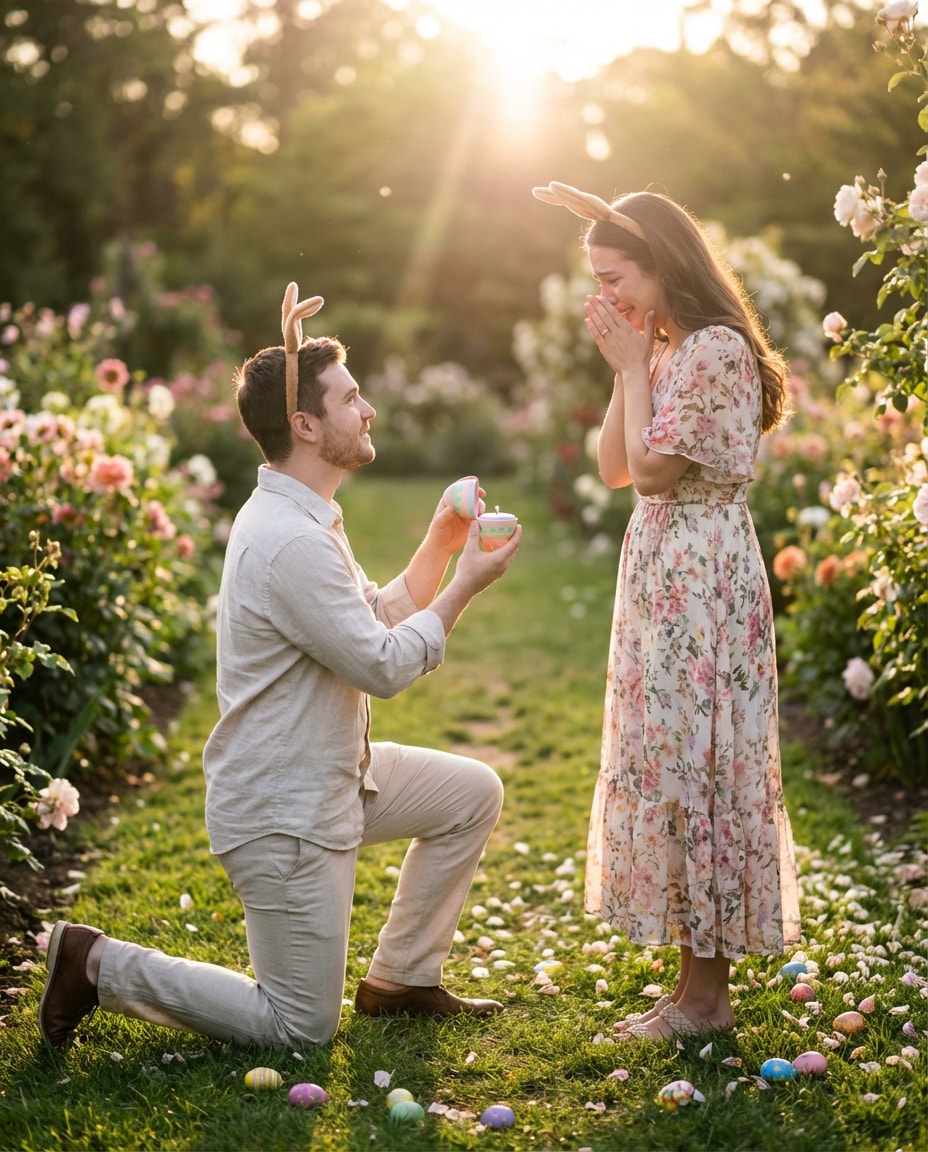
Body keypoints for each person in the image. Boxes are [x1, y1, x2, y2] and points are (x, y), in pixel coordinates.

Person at [38, 282, 521, 1051]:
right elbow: (383, 667)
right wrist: (464, 582)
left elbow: (372, 617)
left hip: (334, 777)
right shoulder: (288, 538)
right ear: (305, 424)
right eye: (351, 398)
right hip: (283, 814)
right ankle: (96, 962)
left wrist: (437, 541)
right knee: (299, 1028)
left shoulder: (305, 515)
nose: (368, 411)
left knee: (471, 794)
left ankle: (401, 978)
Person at [532, 182, 801, 1040]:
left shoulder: (717, 348)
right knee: (669, 765)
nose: (606, 296)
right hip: (662, 576)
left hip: (705, 577)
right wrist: (632, 365)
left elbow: (653, 475)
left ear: (663, 264)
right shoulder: (670, 346)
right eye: (599, 281)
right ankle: (691, 993)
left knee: (704, 767)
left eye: (617, 277)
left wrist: (629, 365)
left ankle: (708, 1000)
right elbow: (617, 466)